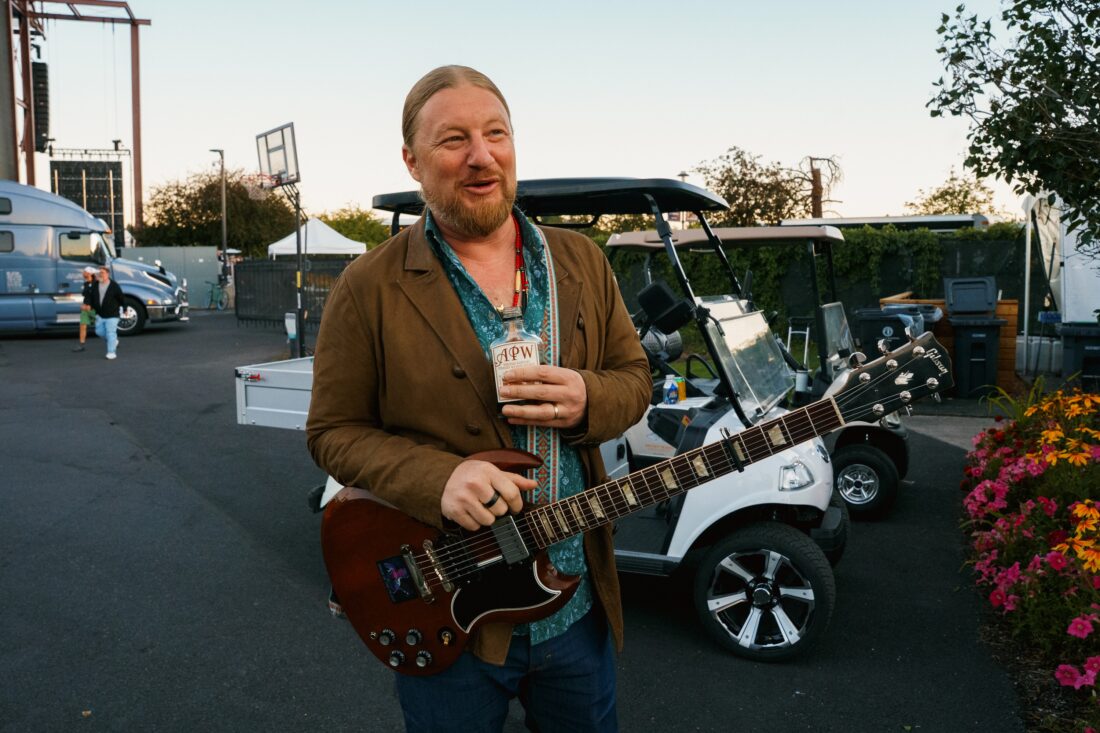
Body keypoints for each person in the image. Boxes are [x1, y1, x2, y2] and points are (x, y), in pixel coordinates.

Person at [306, 65, 650, 733]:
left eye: (497, 133)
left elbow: (633, 375)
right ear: (412, 159)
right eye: (454, 139)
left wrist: (590, 396)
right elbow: (333, 431)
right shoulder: (366, 285)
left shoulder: (581, 261)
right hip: (448, 612)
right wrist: (440, 479)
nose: (481, 155)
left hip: (575, 606)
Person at [86, 265, 124, 360]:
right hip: (100, 314)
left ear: (107, 274)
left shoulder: (114, 285)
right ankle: (113, 341)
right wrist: (89, 305)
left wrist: (125, 307)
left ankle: (111, 352)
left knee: (111, 333)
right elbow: (90, 296)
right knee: (99, 332)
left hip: (112, 314)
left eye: (102, 273)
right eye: (99, 273)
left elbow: (121, 298)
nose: (100, 275)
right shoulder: (95, 284)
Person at [72, 266, 98, 352]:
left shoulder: (96, 284)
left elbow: (97, 297)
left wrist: (91, 306)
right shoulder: (86, 284)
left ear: (90, 273)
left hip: (94, 309)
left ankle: (114, 341)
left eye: (85, 272)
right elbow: (86, 296)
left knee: (102, 327)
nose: (83, 273)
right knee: (83, 325)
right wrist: (84, 305)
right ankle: (81, 345)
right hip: (85, 309)